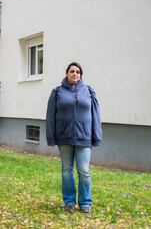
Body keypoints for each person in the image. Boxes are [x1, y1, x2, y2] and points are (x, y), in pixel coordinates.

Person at [46, 62, 102, 214]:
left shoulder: (89, 91)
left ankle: (85, 203)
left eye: (78, 72)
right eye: (72, 71)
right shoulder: (57, 92)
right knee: (66, 170)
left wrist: (96, 136)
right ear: (66, 73)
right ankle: (69, 202)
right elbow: (50, 116)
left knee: (84, 171)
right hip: (64, 137)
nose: (75, 74)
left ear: (81, 74)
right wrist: (51, 137)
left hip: (84, 137)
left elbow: (96, 115)